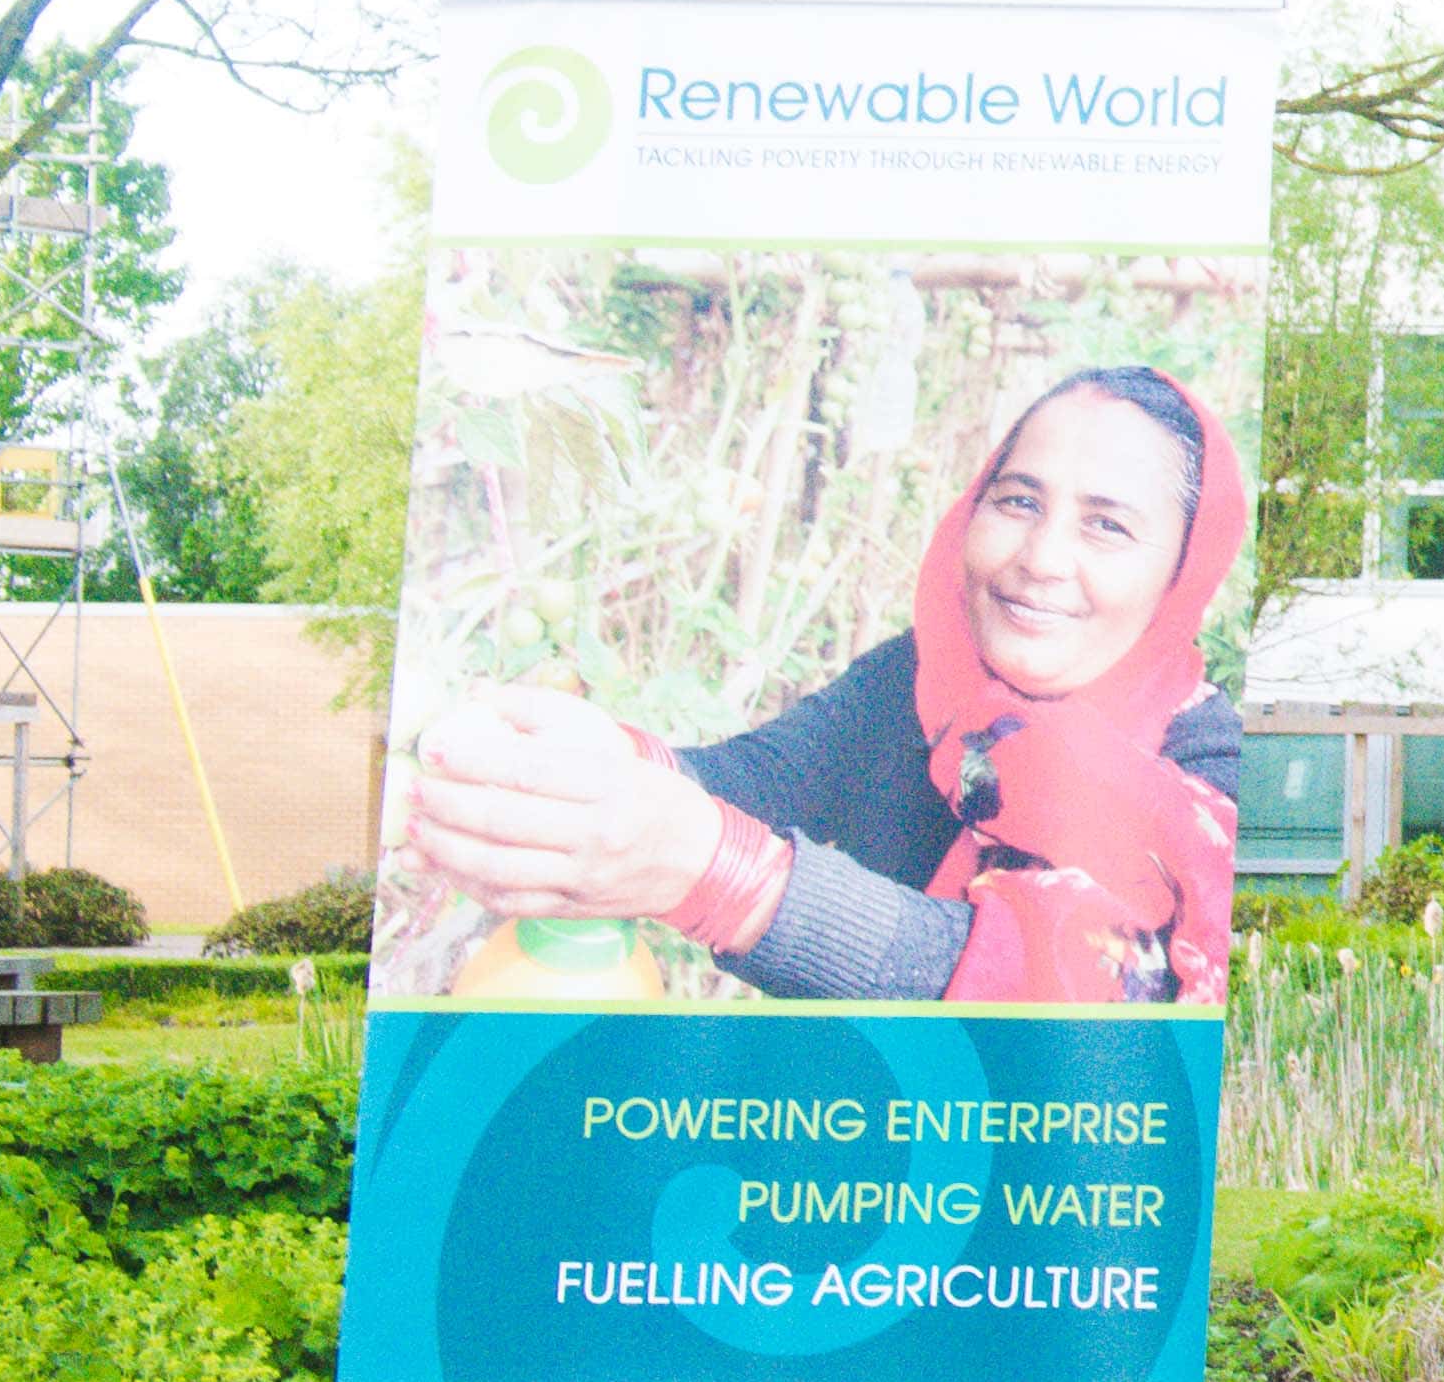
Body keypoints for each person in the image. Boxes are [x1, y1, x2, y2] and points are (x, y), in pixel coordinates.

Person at [393, 363, 1251, 1005]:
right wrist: (587, 769)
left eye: (1106, 525)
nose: (1041, 559)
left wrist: (717, 876)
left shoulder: (1205, 764)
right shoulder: (922, 682)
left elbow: (1084, 988)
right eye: (1018, 501)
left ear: (1183, 569)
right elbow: (755, 781)